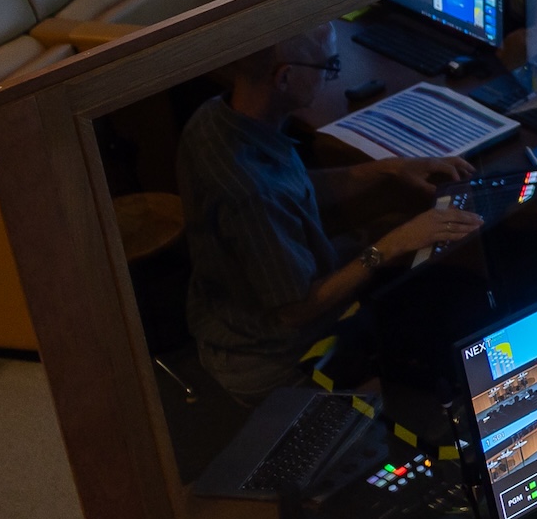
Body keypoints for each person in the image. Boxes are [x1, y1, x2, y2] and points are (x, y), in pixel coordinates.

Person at [177, 24, 479, 399]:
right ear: (284, 77)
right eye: (328, 66)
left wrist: (388, 169)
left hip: (230, 311)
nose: (332, 77)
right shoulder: (248, 191)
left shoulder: (213, 119)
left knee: (400, 236)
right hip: (273, 357)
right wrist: (391, 246)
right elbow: (296, 311)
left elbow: (289, 188)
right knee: (444, 316)